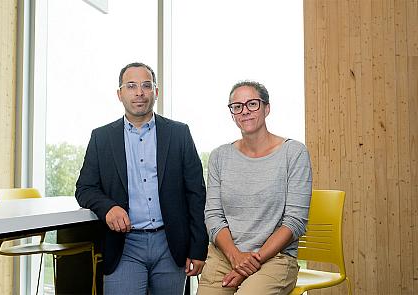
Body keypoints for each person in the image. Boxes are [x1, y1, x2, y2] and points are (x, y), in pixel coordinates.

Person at [75, 62, 208, 295]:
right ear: (119, 94)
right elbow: (85, 188)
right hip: (124, 246)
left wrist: (198, 248)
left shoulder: (179, 134)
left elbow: (196, 193)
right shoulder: (101, 138)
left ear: (156, 92)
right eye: (131, 86)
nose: (139, 93)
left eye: (147, 86)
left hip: (171, 245)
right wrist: (108, 208)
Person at [197, 81, 312, 295]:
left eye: (252, 104)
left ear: (267, 108)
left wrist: (247, 265)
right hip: (226, 255)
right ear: (232, 114)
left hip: (275, 258)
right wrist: (235, 257)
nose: (245, 111)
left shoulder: (293, 153)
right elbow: (213, 216)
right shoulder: (219, 156)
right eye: (237, 106)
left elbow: (294, 221)